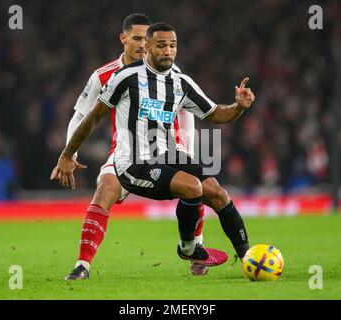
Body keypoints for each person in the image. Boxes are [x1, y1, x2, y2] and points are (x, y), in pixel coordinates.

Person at [51, 22, 255, 277]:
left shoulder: (180, 82)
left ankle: (250, 258)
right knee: (190, 186)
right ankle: (188, 247)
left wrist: (238, 107)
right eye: (161, 46)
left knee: (217, 192)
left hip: (167, 153)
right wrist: (68, 154)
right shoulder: (122, 76)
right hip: (130, 160)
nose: (168, 51)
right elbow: (89, 117)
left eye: (172, 46)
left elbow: (214, 114)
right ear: (146, 47)